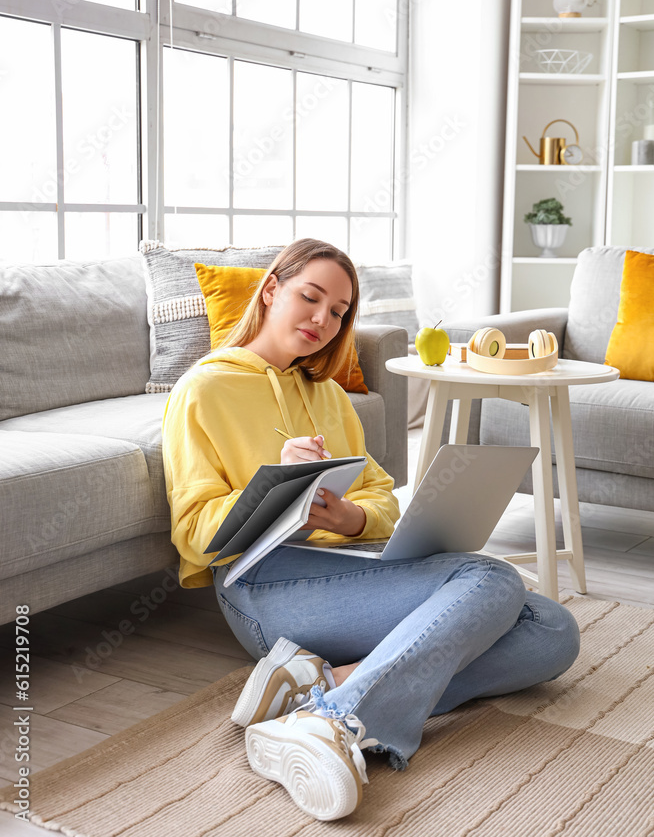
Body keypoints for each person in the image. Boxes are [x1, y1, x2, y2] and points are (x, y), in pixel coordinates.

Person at [162, 237, 580, 822]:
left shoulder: (330, 396)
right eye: (311, 298)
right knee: (491, 578)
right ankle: (335, 720)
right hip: (262, 584)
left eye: (338, 312)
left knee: (554, 632)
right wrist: (277, 487)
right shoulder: (203, 391)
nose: (322, 320)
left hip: (353, 572)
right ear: (271, 289)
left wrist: (350, 516)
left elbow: (380, 497)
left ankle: (326, 688)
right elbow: (194, 535)